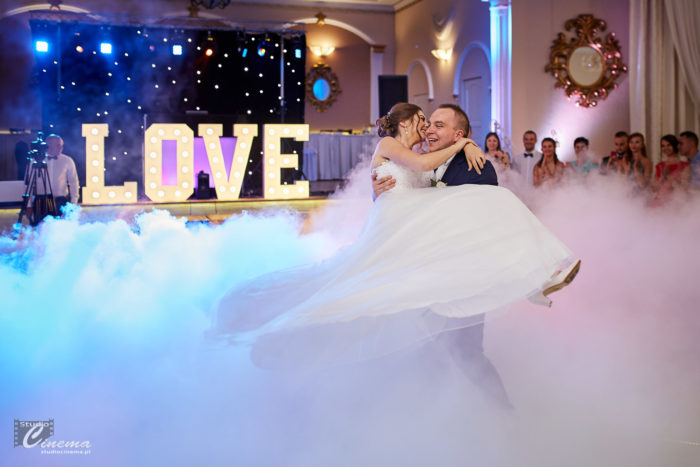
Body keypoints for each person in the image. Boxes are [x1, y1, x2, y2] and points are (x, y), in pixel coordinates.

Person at [216, 103, 579, 401]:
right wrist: (380, 193)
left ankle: (502, 417)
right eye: (427, 122)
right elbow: (406, 203)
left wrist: (468, 148)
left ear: (459, 134)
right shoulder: (416, 158)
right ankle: (420, 421)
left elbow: (479, 219)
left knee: (465, 353)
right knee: (406, 340)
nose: (429, 129)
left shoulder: (476, 164)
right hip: (417, 271)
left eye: (438, 124)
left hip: (460, 279)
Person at [42, 134, 80, 211]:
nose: (61, 148)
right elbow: (29, 183)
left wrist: (73, 202)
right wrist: (29, 204)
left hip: (60, 201)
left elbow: (74, 182)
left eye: (61, 145)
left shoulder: (67, 160)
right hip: (41, 201)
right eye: (58, 145)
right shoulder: (37, 160)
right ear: (49, 145)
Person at [651, 134, 690, 203]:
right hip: (659, 201)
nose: (665, 148)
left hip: (675, 203)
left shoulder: (685, 165)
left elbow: (684, 190)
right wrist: (662, 178)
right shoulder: (660, 165)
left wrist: (669, 176)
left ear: (675, 145)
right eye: (663, 146)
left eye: (669, 145)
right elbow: (654, 189)